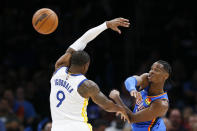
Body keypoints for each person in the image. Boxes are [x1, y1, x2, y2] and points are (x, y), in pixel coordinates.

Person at [49, 18, 130, 131]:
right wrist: (121, 109)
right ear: (86, 66)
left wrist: (106, 25)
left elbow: (82, 41)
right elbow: (106, 105)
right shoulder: (86, 85)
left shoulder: (58, 68)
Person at [109, 60, 172, 131]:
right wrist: (132, 89)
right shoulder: (146, 79)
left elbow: (132, 118)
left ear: (165, 76)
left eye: (156, 70)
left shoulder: (161, 104)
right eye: (151, 69)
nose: (151, 72)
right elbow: (130, 80)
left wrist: (116, 97)